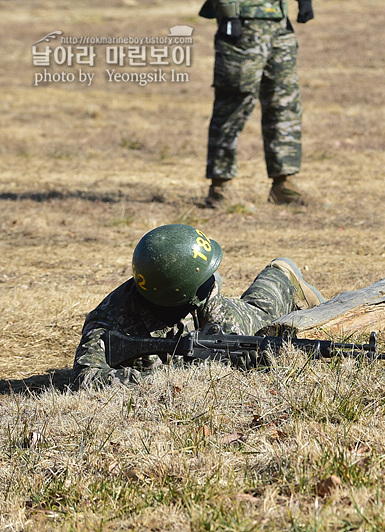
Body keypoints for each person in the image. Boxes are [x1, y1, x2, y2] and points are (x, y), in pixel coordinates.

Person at [71, 224, 325, 388]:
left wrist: (236, 360)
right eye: (204, 283)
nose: (211, 283)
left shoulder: (206, 290)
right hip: (183, 321)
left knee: (261, 316)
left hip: (205, 320)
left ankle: (281, 273)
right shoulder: (108, 322)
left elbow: (228, 338)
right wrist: (166, 379)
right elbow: (85, 380)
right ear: (179, 292)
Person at [200, 0, 315, 208]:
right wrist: (228, 12)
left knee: (284, 102)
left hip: (279, 22)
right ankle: (220, 186)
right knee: (233, 104)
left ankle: (283, 182)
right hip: (242, 21)